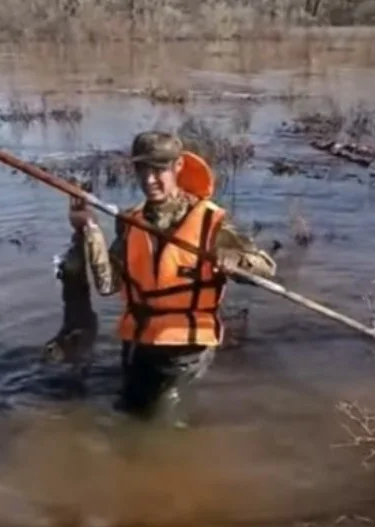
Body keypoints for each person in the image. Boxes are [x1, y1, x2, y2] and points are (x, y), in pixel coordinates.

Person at [69, 131, 275, 426]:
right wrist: (88, 229)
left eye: (159, 169)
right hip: (139, 343)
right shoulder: (130, 221)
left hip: (187, 349)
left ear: (178, 167)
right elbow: (107, 285)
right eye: (143, 169)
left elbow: (266, 267)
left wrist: (236, 261)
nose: (150, 180)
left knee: (160, 426)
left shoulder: (212, 221)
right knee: (126, 416)